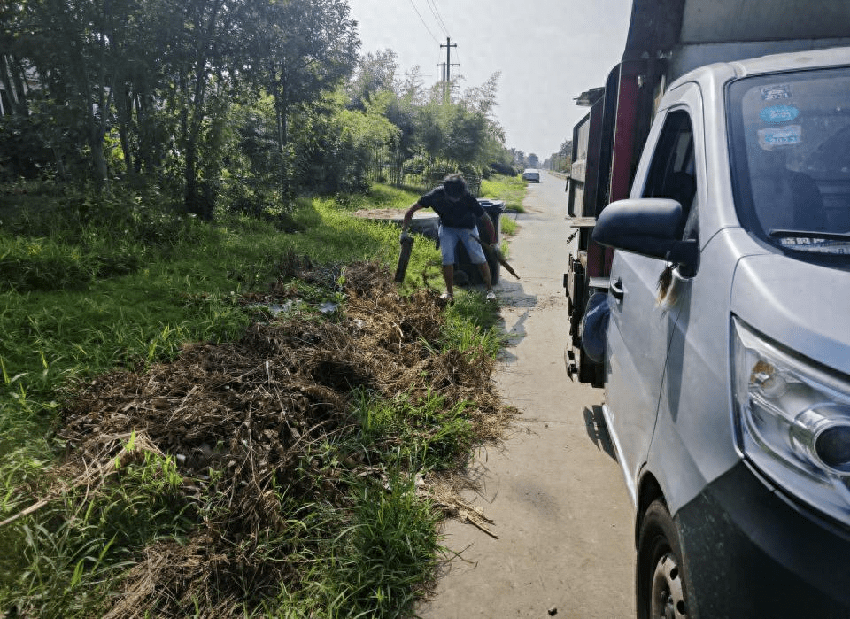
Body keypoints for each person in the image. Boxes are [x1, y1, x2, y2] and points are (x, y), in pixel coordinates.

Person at [402, 173, 497, 301]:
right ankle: (449, 293)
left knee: (478, 257)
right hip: (447, 228)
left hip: (468, 228)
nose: (456, 199)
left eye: (458, 196)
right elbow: (411, 210)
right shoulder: (435, 195)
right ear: (445, 192)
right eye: (453, 197)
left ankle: (490, 291)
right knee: (447, 259)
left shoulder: (468, 198)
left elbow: (487, 220)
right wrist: (404, 232)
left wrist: (493, 241)